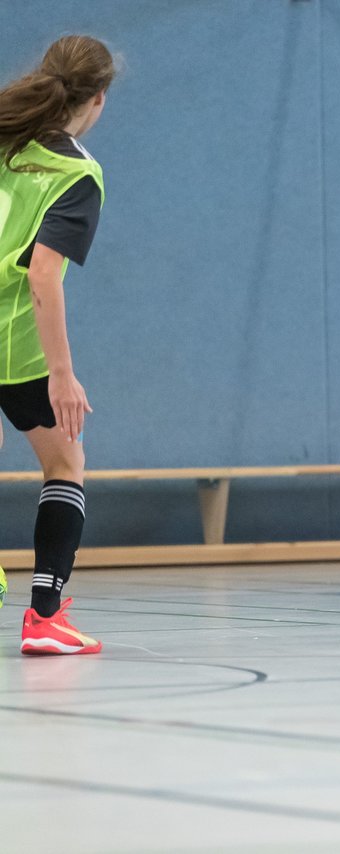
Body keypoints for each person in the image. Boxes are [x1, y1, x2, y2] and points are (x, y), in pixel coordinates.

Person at [0, 35, 115, 654]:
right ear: (98, 99)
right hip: (15, 345)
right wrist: (61, 373)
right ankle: (45, 619)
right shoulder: (77, 171)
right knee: (64, 464)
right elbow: (42, 274)